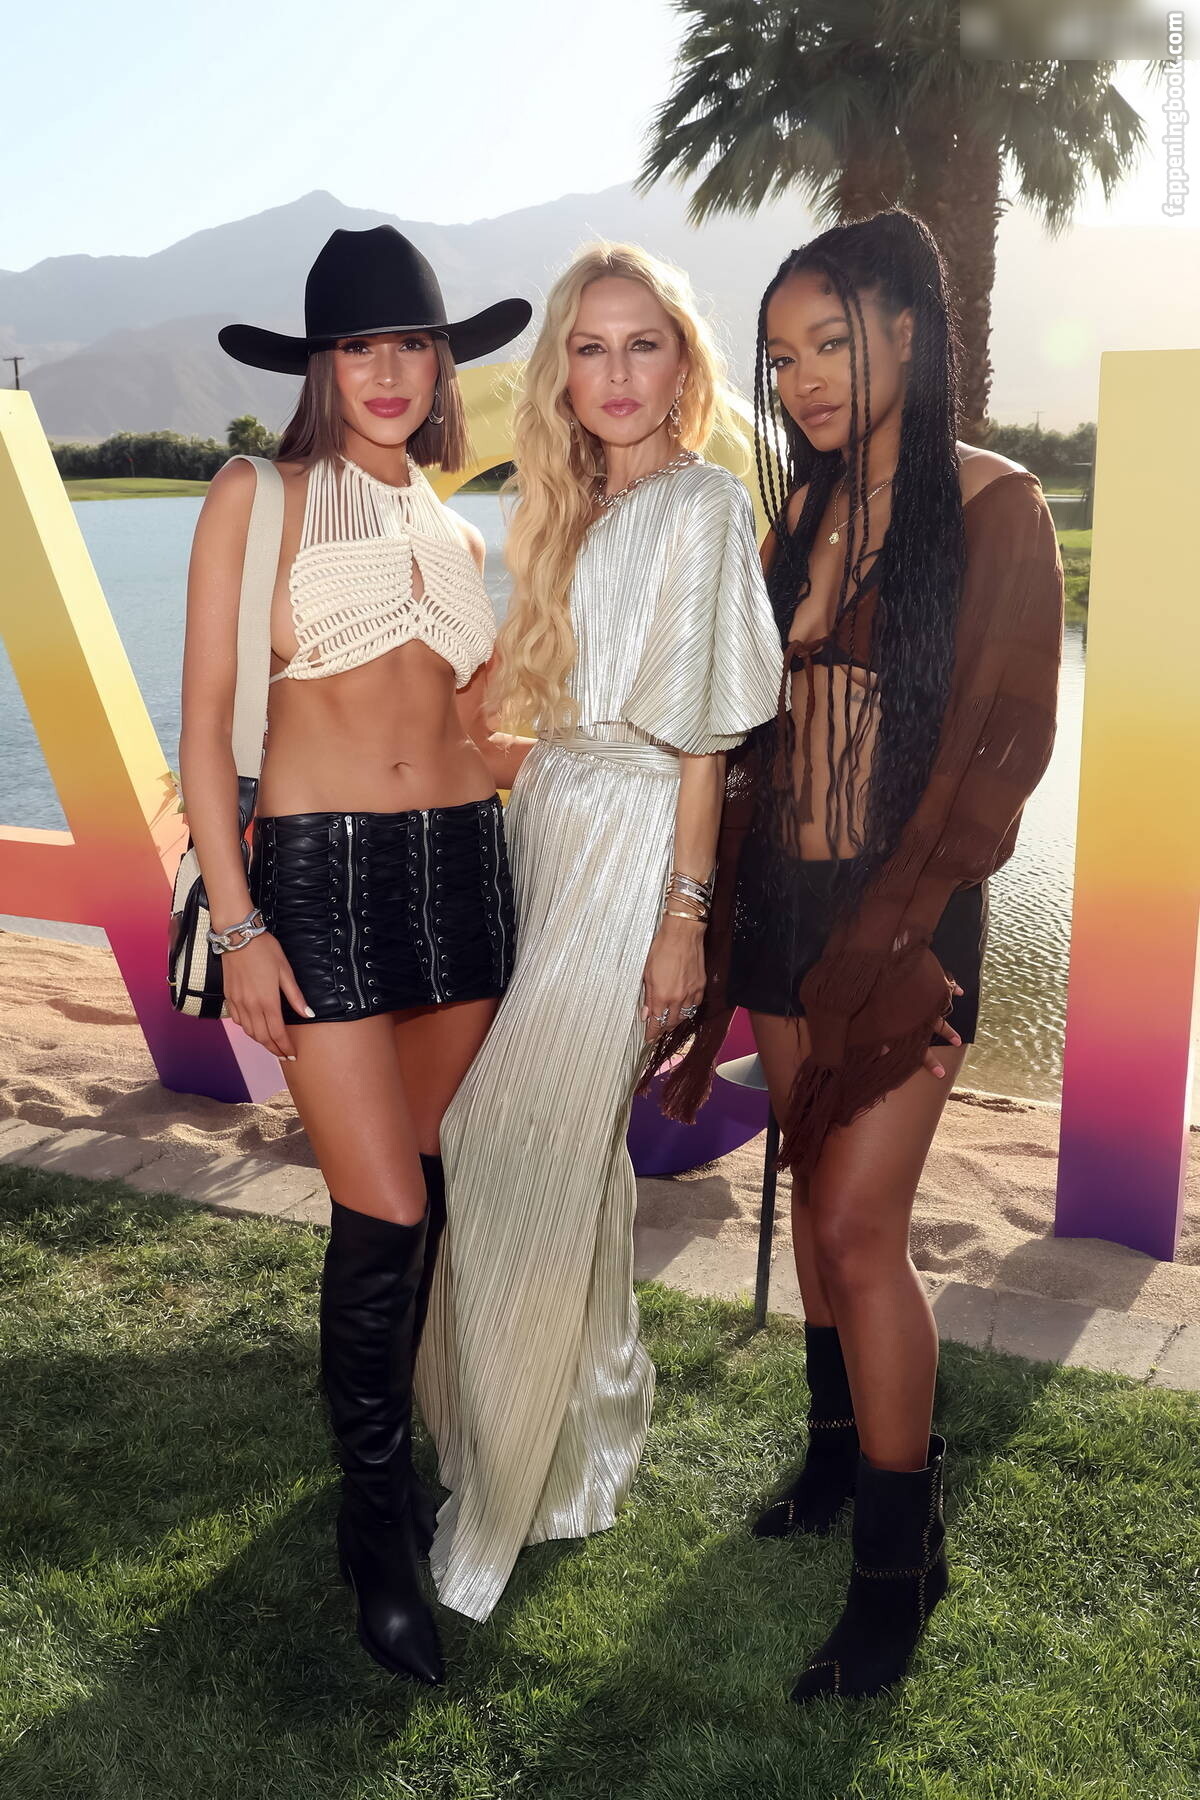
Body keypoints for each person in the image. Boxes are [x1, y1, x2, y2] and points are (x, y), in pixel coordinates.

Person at [648, 210, 1062, 1701]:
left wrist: (895, 926)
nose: (805, 378)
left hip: (904, 926)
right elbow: (746, 721)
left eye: (831, 342)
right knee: (812, 1204)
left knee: (858, 1229)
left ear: (908, 333)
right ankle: (836, 1463)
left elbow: (1003, 751)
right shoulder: (802, 514)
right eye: (781, 357)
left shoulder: (994, 504)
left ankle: (897, 1570)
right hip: (781, 911)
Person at [179, 225, 531, 1685]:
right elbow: (205, 728)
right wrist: (242, 925)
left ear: (442, 365)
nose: (389, 372)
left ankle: (396, 1458)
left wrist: (621, 761)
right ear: (321, 366)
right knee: (378, 1204)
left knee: (422, 1183)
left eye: (412, 346)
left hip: (462, 873)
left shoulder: (461, 530)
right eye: (359, 347)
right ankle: (374, 1527)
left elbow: (475, 737)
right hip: (316, 878)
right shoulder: (254, 495)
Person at [414, 242, 781, 1623]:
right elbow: (554, 708)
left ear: (684, 367)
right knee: (562, 1157)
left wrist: (683, 920)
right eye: (590, 347)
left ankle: (505, 1497)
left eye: (645, 344)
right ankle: (570, 1444)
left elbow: (702, 743)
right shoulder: (566, 510)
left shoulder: (703, 504)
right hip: (551, 836)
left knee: (500, 1135)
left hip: (638, 858)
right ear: (560, 372)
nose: (618, 373)